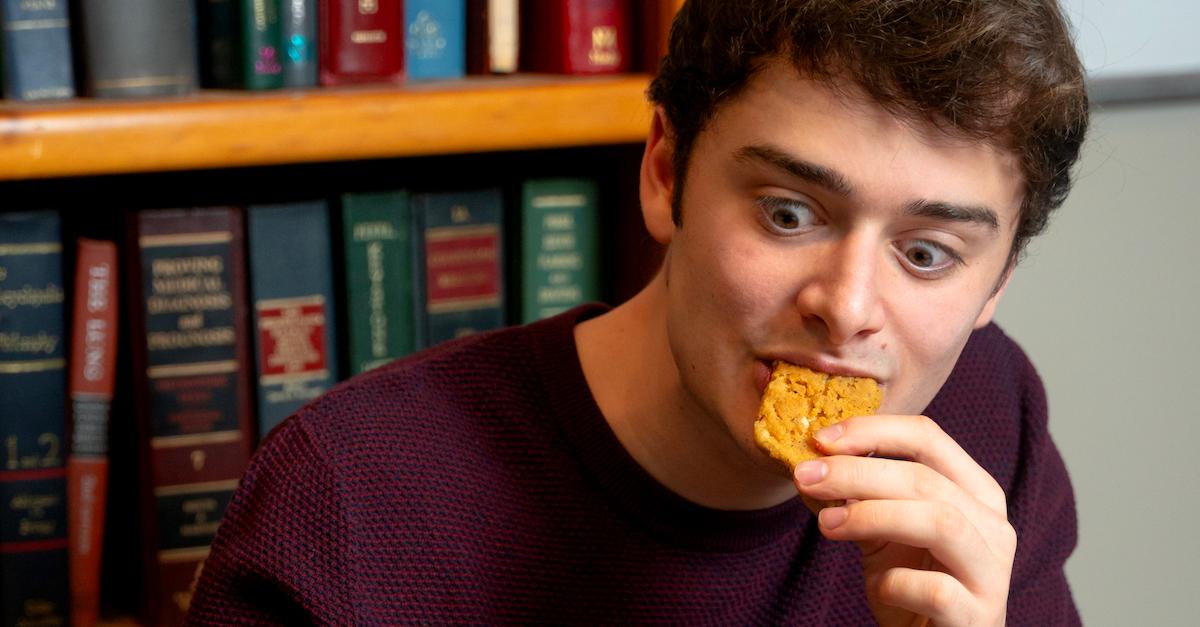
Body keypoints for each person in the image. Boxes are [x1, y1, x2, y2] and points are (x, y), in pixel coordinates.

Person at [187, 0, 1088, 624]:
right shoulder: (349, 500)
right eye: (788, 213)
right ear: (664, 173)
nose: (847, 309)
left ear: (998, 280)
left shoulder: (988, 424)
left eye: (927, 254)